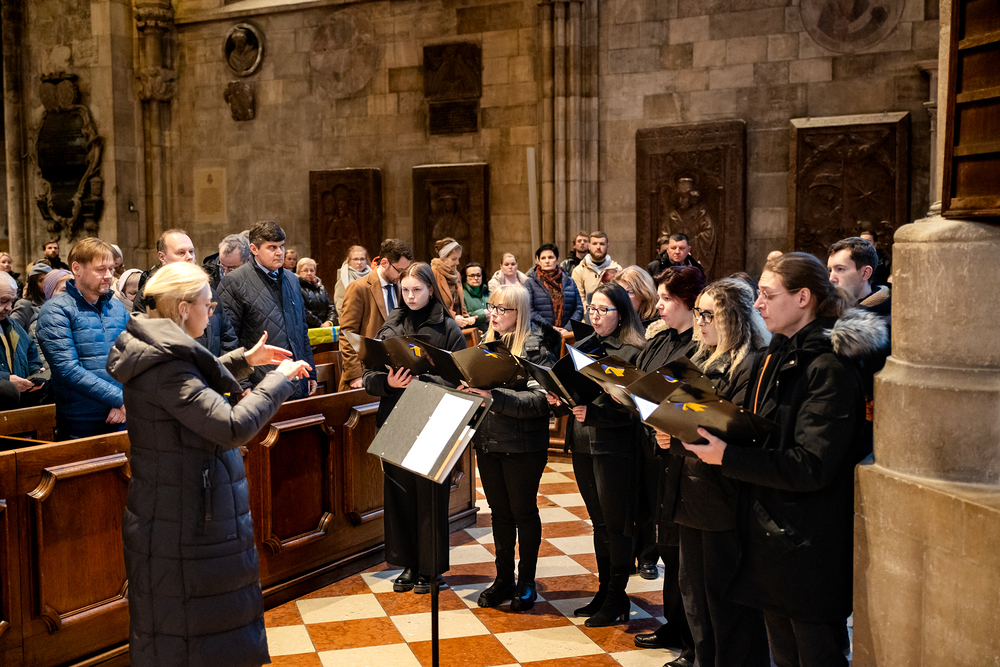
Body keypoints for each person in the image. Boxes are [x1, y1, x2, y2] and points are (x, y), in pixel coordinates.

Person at [682, 252, 886, 667]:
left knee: (815, 654)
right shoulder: (777, 354)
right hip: (772, 533)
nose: (758, 304)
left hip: (807, 541)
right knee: (784, 653)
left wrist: (728, 457)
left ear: (803, 298)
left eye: (768, 295)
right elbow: (767, 433)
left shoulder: (827, 366)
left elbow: (811, 465)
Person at [107, 261, 311, 667]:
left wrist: (245, 359)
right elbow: (232, 426)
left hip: (187, 512)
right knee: (189, 637)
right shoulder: (165, 366)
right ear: (184, 308)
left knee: (204, 631)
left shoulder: (161, 350)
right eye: (208, 304)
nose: (211, 311)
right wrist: (278, 380)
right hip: (184, 521)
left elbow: (197, 373)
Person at [653, 278, 771, 667]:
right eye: (699, 313)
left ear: (733, 318)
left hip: (722, 496)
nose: (700, 322)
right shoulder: (697, 359)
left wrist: (682, 432)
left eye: (709, 315)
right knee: (694, 595)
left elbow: (736, 430)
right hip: (688, 490)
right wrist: (665, 432)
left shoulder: (749, 364)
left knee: (723, 601)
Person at [361, 262, 466, 594]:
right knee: (401, 496)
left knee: (430, 497)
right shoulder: (390, 326)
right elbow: (369, 377)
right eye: (404, 290)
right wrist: (389, 382)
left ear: (430, 290)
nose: (410, 296)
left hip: (435, 418)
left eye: (416, 290)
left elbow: (463, 380)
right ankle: (408, 564)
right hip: (398, 416)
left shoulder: (448, 328)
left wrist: (426, 379)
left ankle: (431, 569)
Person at [546, 283, 646, 627]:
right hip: (582, 442)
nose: (595, 316)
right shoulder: (585, 345)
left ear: (621, 313)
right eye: (592, 309)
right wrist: (559, 400)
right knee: (599, 522)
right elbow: (576, 394)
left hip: (614, 447)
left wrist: (597, 413)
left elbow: (636, 410)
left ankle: (618, 595)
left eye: (604, 310)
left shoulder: (633, 351)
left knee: (616, 525)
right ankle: (605, 591)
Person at [456, 285, 554, 611]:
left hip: (523, 445)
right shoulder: (487, 345)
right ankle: (503, 579)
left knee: (522, 512)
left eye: (503, 309)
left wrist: (495, 397)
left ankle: (526, 581)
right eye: (492, 307)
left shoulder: (535, 347)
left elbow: (541, 401)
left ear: (519, 312)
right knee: (499, 514)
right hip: (488, 441)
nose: (494, 314)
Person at [631, 265, 706, 665]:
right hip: (653, 451)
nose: (658, 305)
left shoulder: (699, 348)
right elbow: (640, 385)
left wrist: (670, 430)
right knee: (665, 544)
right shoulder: (660, 340)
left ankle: (691, 636)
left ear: (688, 303)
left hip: (682, 457)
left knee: (682, 552)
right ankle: (673, 623)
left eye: (666, 299)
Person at [36, 238, 130, 439]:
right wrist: (119, 399)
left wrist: (124, 401)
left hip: (122, 414)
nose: (108, 275)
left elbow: (133, 357)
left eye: (111, 269)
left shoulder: (117, 307)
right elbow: (67, 369)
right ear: (77, 268)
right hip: (81, 421)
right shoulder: (55, 310)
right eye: (100, 269)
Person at [219, 220, 317, 398]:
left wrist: (310, 372)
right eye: (272, 247)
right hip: (260, 383)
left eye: (282, 246)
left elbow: (302, 330)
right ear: (254, 249)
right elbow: (228, 337)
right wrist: (241, 383)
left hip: (297, 378)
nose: (280, 252)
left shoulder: (292, 279)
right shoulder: (234, 282)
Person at [140, 230, 240, 359]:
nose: (189, 257)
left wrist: (217, 368)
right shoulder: (151, 295)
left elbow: (228, 338)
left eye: (191, 251)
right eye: (181, 253)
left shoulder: (208, 292)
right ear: (162, 257)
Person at [338, 239, 414, 390]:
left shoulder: (400, 287)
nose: (402, 276)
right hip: (367, 372)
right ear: (384, 263)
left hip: (394, 373)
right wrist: (355, 374)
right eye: (399, 270)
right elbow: (347, 334)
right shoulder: (359, 288)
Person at [0, 272, 46, 407]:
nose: (9, 308)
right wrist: (5, 380)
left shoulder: (12, 325)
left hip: (21, 402)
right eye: (3, 301)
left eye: (12, 301)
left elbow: (31, 352)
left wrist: (35, 374)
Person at [525, 243, 584, 334]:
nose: (547, 261)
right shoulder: (530, 283)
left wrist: (567, 328)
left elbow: (579, 308)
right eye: (543, 258)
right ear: (538, 261)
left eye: (550, 257)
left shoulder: (570, 282)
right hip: (541, 334)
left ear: (557, 260)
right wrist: (550, 328)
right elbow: (529, 310)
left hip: (566, 333)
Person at [431, 238, 477, 328]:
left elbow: (459, 302)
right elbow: (432, 305)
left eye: (458, 259)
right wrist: (453, 317)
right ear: (443, 257)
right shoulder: (433, 273)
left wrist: (466, 318)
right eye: (454, 259)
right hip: (440, 327)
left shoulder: (456, 274)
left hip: (455, 328)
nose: (457, 263)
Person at [571, 231, 623, 304]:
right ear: (589, 246)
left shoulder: (617, 270)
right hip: (588, 310)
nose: (598, 247)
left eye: (602, 244)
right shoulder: (579, 271)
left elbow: (621, 298)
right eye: (594, 244)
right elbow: (579, 300)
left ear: (607, 246)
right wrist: (592, 310)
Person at [296, 257, 337, 328]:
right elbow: (302, 310)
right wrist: (319, 324)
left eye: (312, 270)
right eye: (305, 270)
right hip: (306, 329)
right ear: (299, 272)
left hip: (324, 328)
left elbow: (331, 307)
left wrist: (329, 321)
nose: (309, 273)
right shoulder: (296, 287)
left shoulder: (321, 287)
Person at [11, 263, 51, 333]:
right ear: (34, 283)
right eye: (41, 280)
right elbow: (12, 330)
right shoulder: (24, 304)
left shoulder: (53, 302)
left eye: (49, 280)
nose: (46, 283)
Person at [333, 245, 371, 314]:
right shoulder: (344, 278)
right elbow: (340, 304)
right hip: (351, 317)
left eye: (362, 259)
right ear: (349, 260)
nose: (359, 262)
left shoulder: (372, 276)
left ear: (366, 260)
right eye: (355, 259)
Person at [462, 262, 490, 332]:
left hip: (491, 333)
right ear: (465, 277)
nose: (476, 278)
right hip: (472, 334)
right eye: (472, 275)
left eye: (478, 275)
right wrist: (483, 314)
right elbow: (463, 318)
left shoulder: (490, 294)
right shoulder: (461, 295)